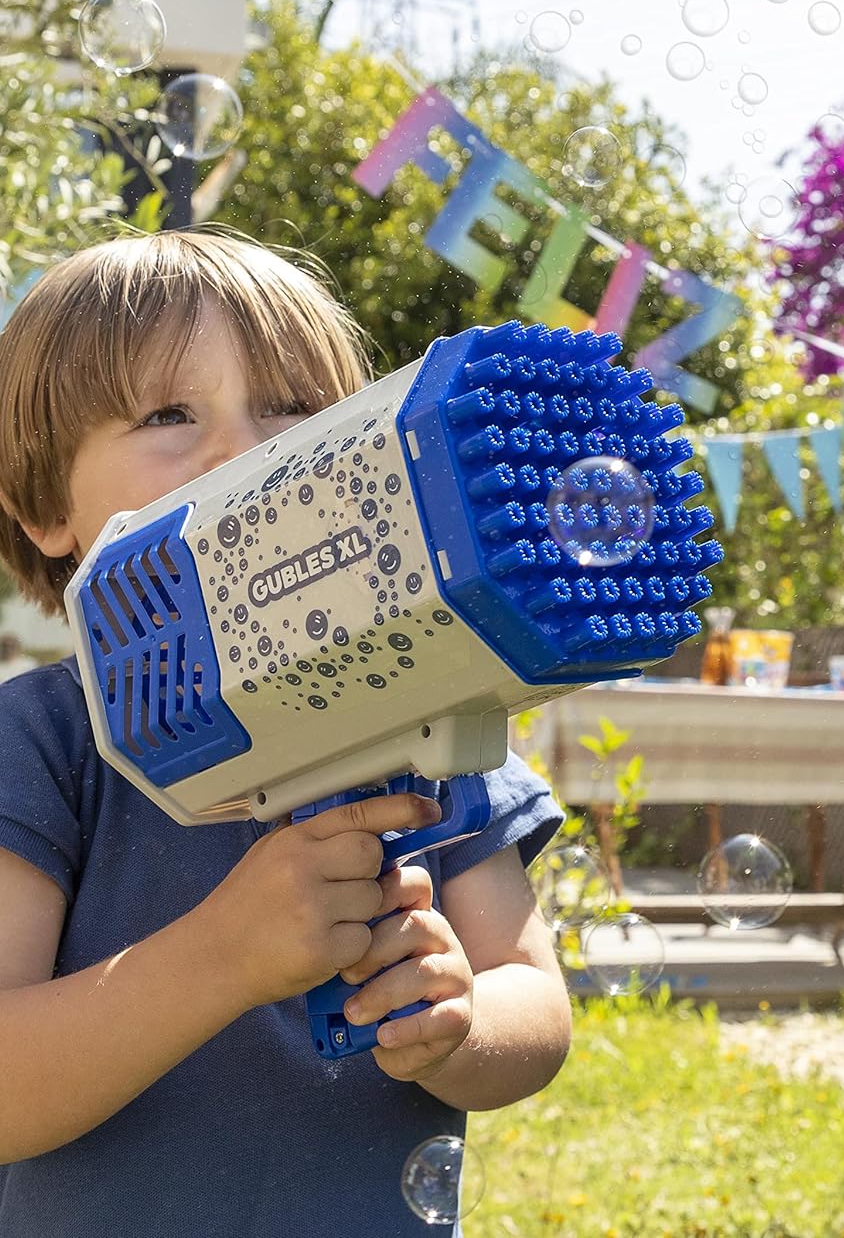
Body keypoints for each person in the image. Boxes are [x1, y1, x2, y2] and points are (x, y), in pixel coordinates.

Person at [0, 230, 573, 1234]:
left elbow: (536, 1003)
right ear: (46, 506)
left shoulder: (427, 712)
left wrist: (462, 1024)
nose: (247, 453)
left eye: (296, 411)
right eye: (169, 414)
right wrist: (224, 955)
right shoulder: (41, 744)